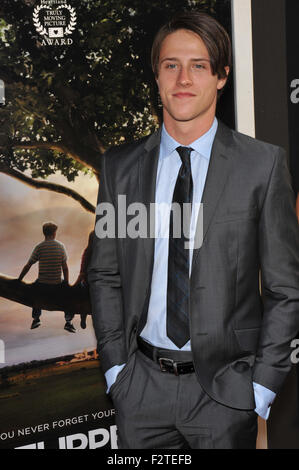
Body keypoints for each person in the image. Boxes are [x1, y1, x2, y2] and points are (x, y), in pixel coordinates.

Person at [87, 11, 299, 449]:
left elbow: (285, 288)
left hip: (226, 394)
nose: (183, 78)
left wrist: (260, 387)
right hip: (139, 390)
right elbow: (105, 273)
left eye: (199, 65)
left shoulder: (262, 166)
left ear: (221, 76)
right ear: (158, 77)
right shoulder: (119, 168)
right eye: (171, 65)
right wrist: (115, 370)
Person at [18, 221, 76, 333]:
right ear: (54, 233)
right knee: (69, 297)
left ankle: (36, 319)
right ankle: (68, 322)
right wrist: (66, 283)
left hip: (42, 284)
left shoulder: (39, 247)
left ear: (44, 233)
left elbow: (28, 265)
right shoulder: (60, 246)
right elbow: (65, 268)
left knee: (34, 291)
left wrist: (19, 279)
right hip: (57, 284)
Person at [74, 230, 95, 329]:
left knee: (82, 294)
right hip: (96, 283)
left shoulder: (87, 251)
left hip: (89, 282)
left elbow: (83, 269)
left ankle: (83, 317)